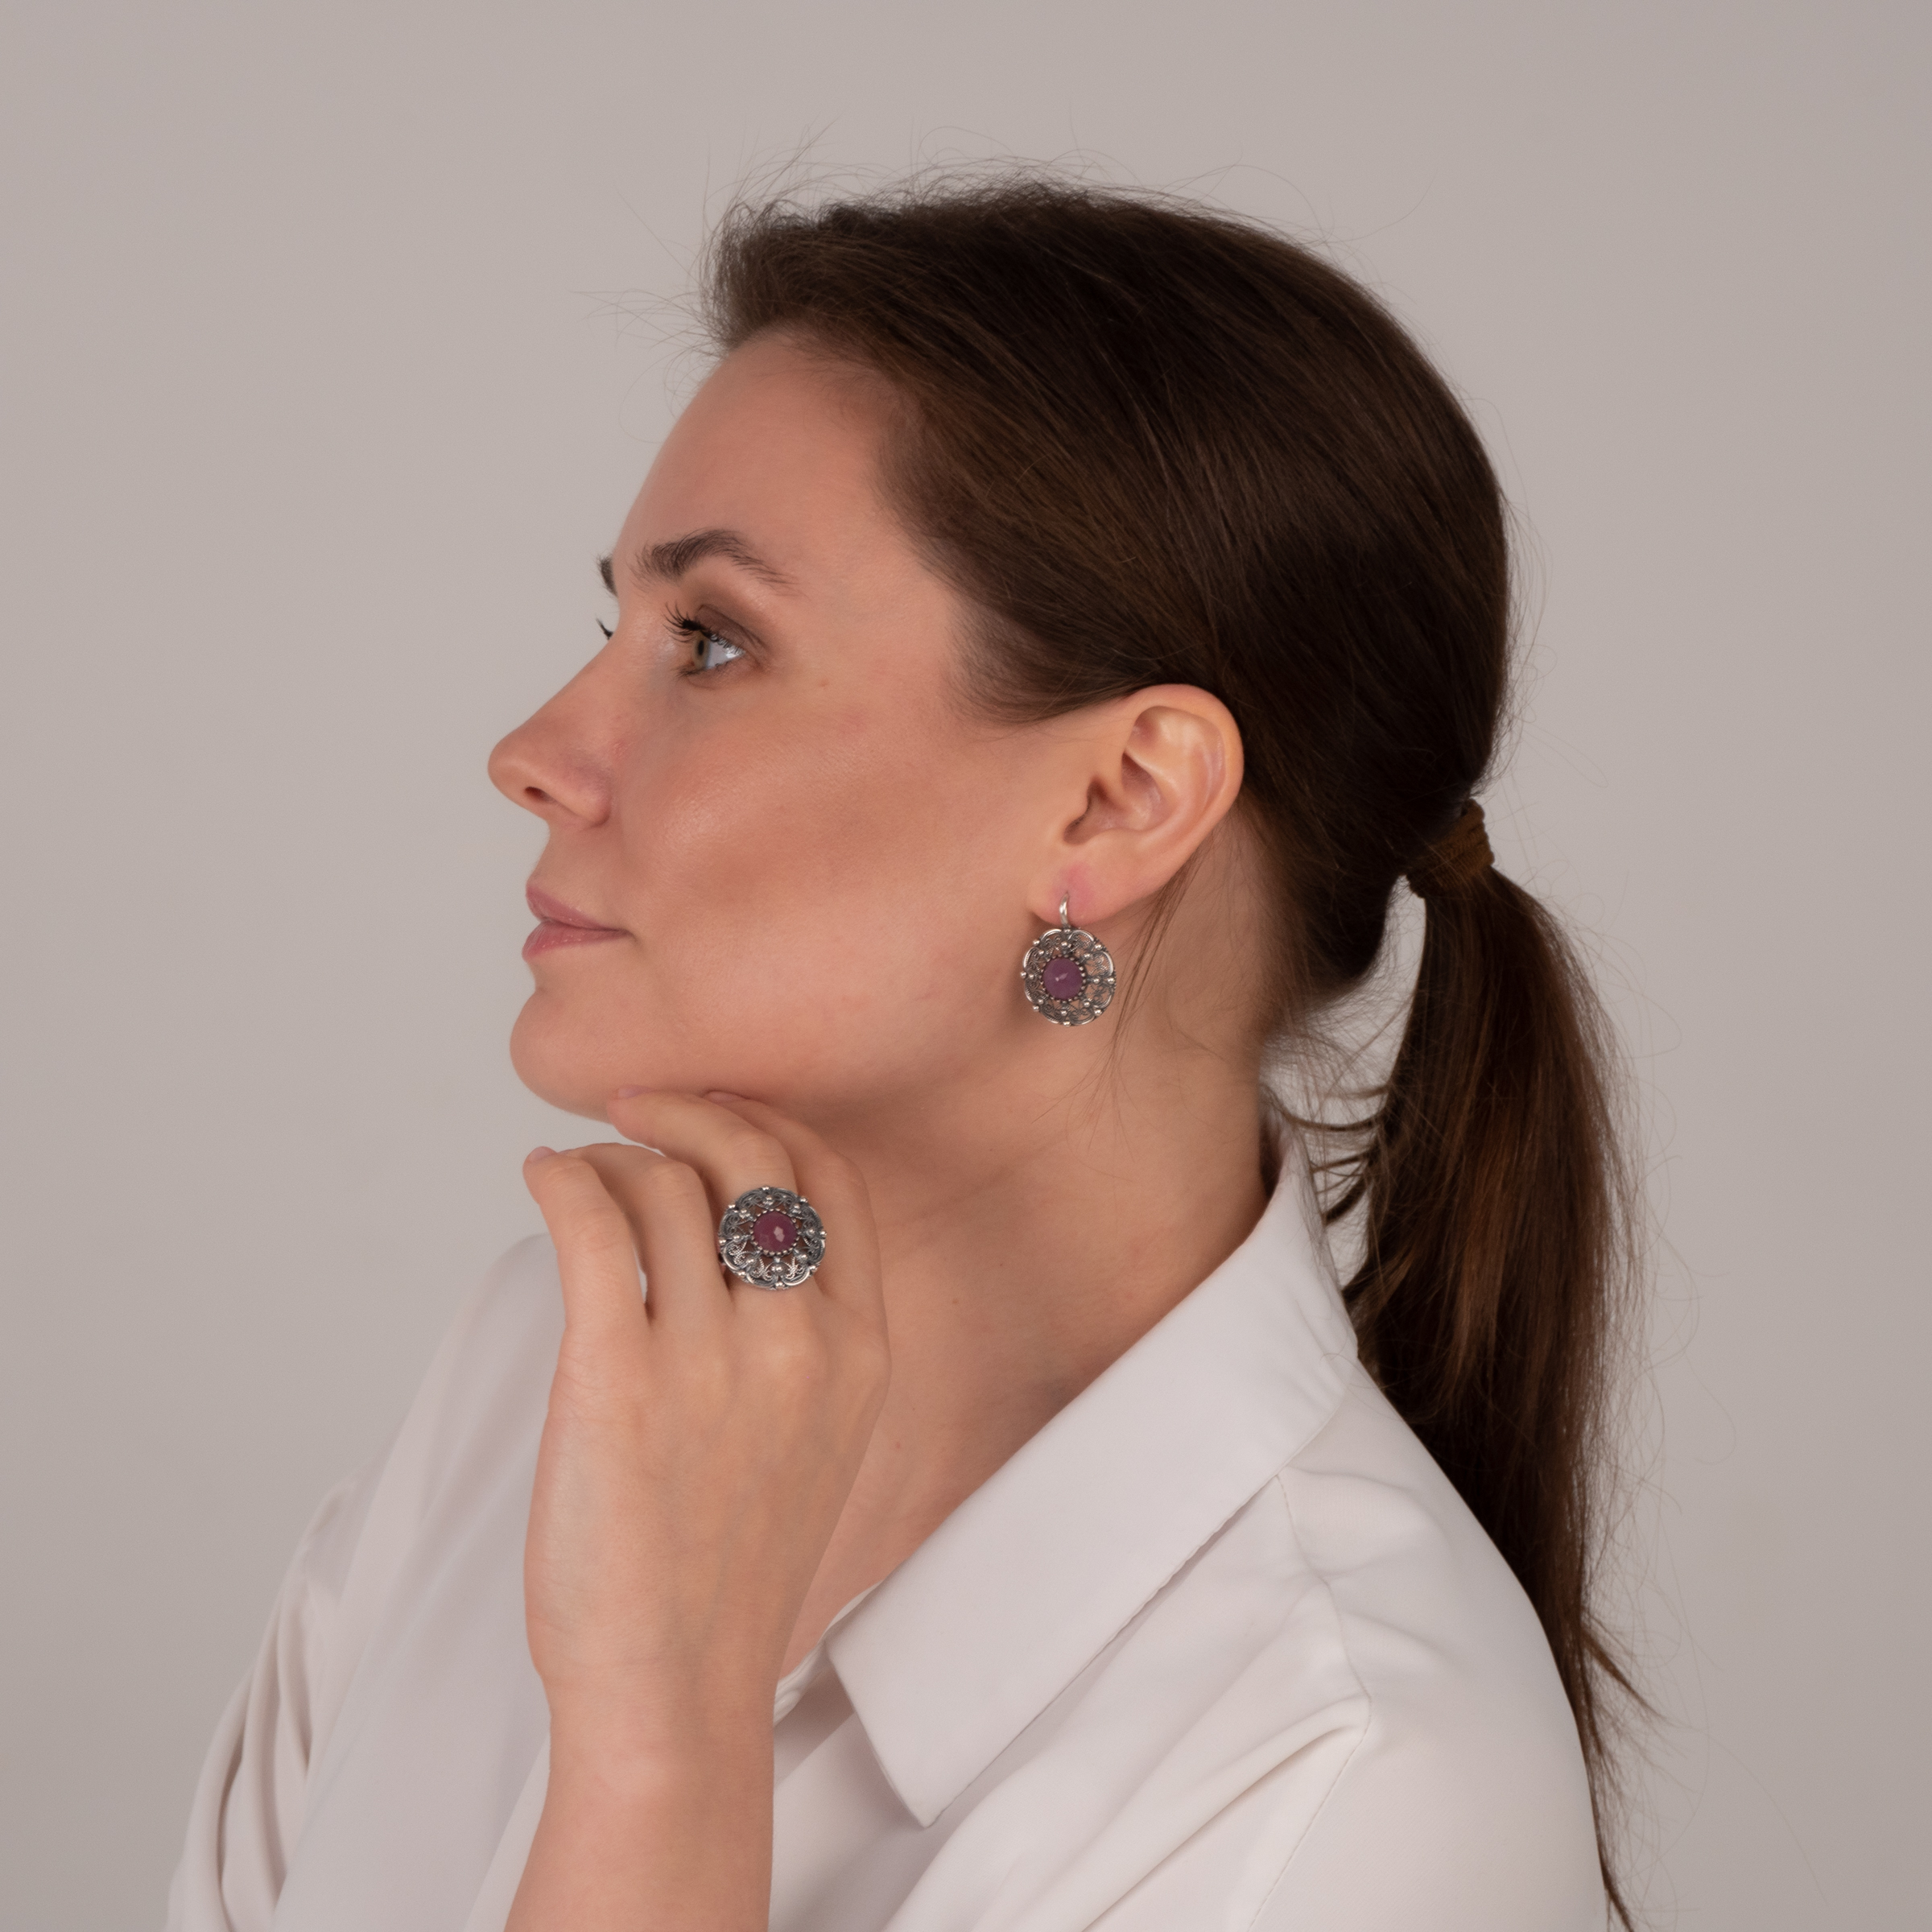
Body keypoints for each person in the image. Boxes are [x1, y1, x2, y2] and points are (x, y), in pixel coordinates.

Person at [167, 175, 1641, 1932]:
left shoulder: (1352, 1795)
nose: (533, 752)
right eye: (611, 628)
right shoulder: (539, 1373)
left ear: (1120, 799)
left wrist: (659, 1749)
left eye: (711, 642)